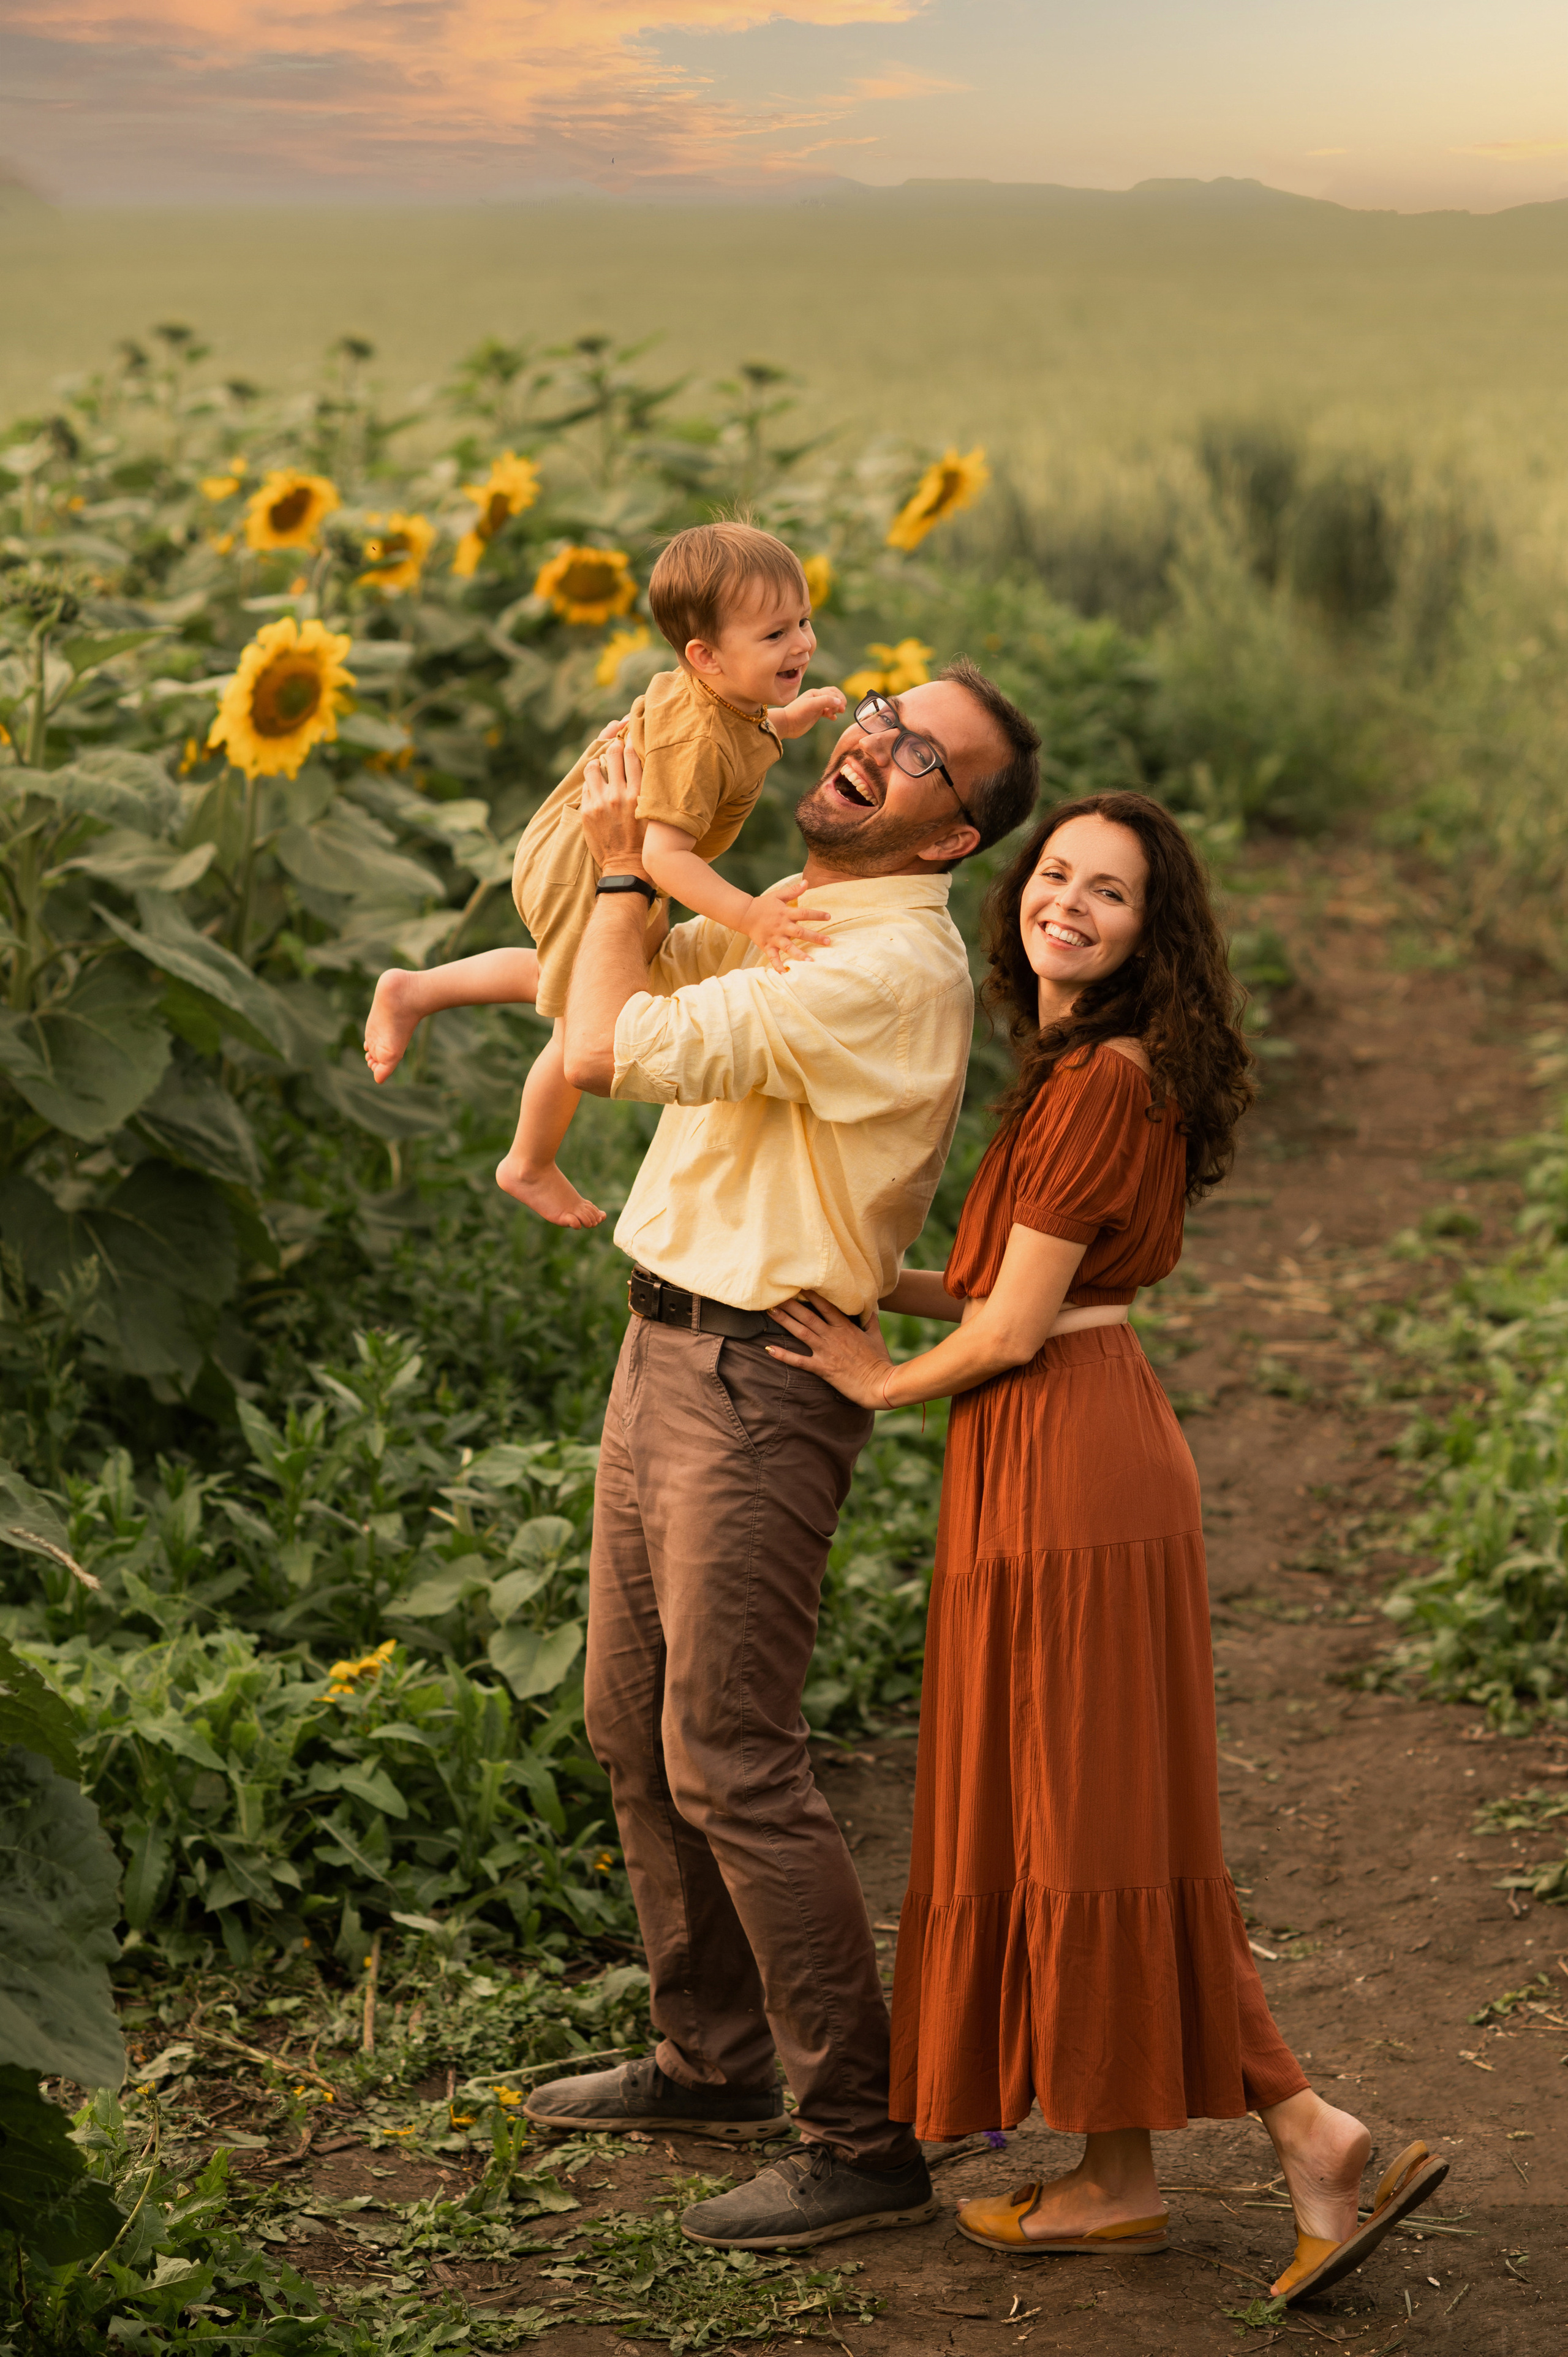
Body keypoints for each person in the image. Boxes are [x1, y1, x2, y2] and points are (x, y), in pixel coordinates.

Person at [765, 792, 1449, 2302]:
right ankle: (1114, 2178)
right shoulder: (1083, 1071)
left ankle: (1309, 2127)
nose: (1067, 904)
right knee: (1069, 1813)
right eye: (1056, 874)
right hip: (1052, 1438)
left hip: (1067, 1455)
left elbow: (1014, 1326)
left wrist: (878, 1377)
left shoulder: (1097, 1084)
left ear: (1150, 934)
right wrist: (849, 1273)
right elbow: (1009, 1287)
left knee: (1090, 1818)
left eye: (1110, 892)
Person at [520, 660, 1042, 2252]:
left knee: (729, 1752)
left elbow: (605, 1050)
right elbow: (588, 983)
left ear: (950, 838)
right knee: (631, 1720)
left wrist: (636, 868)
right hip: (665, 1341)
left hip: (755, 1378)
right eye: (882, 708)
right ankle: (711, 2059)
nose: (872, 737)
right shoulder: (802, 915)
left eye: (921, 750)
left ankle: (858, 2136)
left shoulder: (879, 966)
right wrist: (627, 849)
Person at [363, 521, 845, 1228]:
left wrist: (790, 716)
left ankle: (414, 990)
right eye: (776, 634)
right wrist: (750, 916)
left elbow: (746, 729)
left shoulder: (725, 696)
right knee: (586, 1017)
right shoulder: (696, 744)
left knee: (577, 974)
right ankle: (527, 1162)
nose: (801, 643)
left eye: (802, 621)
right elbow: (663, 858)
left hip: (593, 857)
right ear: (705, 657)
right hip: (588, 867)